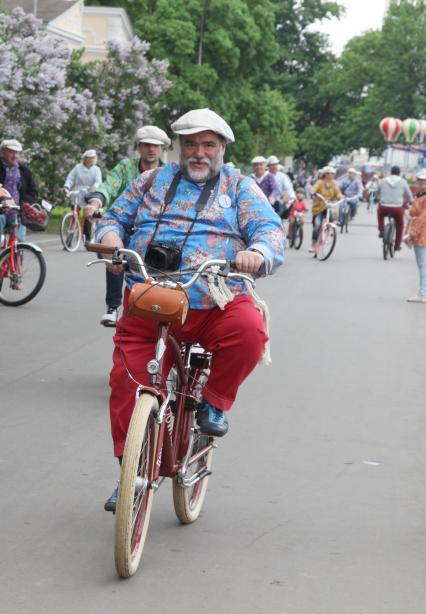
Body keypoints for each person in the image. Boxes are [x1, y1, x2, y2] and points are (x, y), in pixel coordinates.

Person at [96, 108, 284, 511]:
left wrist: (257, 253)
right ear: (179, 147)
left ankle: (214, 400)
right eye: (191, 144)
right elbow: (114, 218)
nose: (199, 153)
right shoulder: (151, 181)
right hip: (150, 299)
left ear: (223, 148)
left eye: (208, 145)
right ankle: (131, 472)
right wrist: (112, 239)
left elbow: (269, 230)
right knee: (126, 383)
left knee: (250, 331)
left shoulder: (239, 186)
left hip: (214, 300)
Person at [86, 126, 170, 326]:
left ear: (162, 148)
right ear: (139, 147)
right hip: (125, 226)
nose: (151, 149)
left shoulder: (169, 173)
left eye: (156, 146)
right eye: (147, 145)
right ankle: (114, 307)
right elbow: (109, 186)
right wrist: (95, 202)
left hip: (154, 230)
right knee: (116, 253)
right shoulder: (126, 167)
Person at [0, 139, 38, 242]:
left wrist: (26, 204)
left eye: (17, 153)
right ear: (2, 152)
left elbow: (33, 192)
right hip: (1, 211)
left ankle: (15, 257)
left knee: (20, 242)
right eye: (11, 152)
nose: (15, 156)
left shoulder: (24, 171)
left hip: (17, 211)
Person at [64, 149, 102, 241]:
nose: (90, 160)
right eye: (88, 158)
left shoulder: (96, 169)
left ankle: (87, 238)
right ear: (84, 159)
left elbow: (98, 181)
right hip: (77, 193)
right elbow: (70, 178)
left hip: (89, 194)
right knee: (74, 213)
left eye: (92, 158)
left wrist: (94, 187)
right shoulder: (77, 168)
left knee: (88, 215)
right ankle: (69, 237)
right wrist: (67, 187)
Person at [376, 165, 413, 251]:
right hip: (397, 209)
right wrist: (410, 201)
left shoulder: (383, 181)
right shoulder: (403, 182)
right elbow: (409, 195)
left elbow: (376, 192)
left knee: (380, 213)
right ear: (399, 173)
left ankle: (381, 229)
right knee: (400, 225)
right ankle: (397, 245)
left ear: (390, 172)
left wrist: (378, 198)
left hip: (384, 207)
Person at [310, 166, 342, 252]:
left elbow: (338, 193)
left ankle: (328, 233)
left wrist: (340, 197)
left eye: (333, 174)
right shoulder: (320, 182)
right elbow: (313, 189)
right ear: (325, 174)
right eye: (330, 173)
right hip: (319, 207)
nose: (332, 175)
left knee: (332, 220)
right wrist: (313, 192)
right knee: (317, 225)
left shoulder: (334, 183)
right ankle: (313, 244)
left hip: (329, 207)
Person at [406, 170, 426, 303]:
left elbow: (422, 219)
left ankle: (422, 293)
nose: (422, 183)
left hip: (422, 234)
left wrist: (411, 234)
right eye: (421, 180)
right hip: (421, 233)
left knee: (423, 264)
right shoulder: (421, 195)